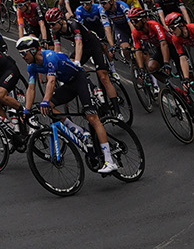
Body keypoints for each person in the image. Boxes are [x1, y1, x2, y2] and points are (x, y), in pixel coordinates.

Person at [19, 36, 120, 175]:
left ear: (33, 50)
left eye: (23, 53)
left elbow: (51, 81)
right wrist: (27, 110)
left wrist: (45, 100)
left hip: (80, 80)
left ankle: (110, 160)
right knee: (50, 109)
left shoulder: (50, 57)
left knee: (92, 118)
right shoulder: (32, 67)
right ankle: (80, 131)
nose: (22, 57)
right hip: (69, 85)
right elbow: (31, 88)